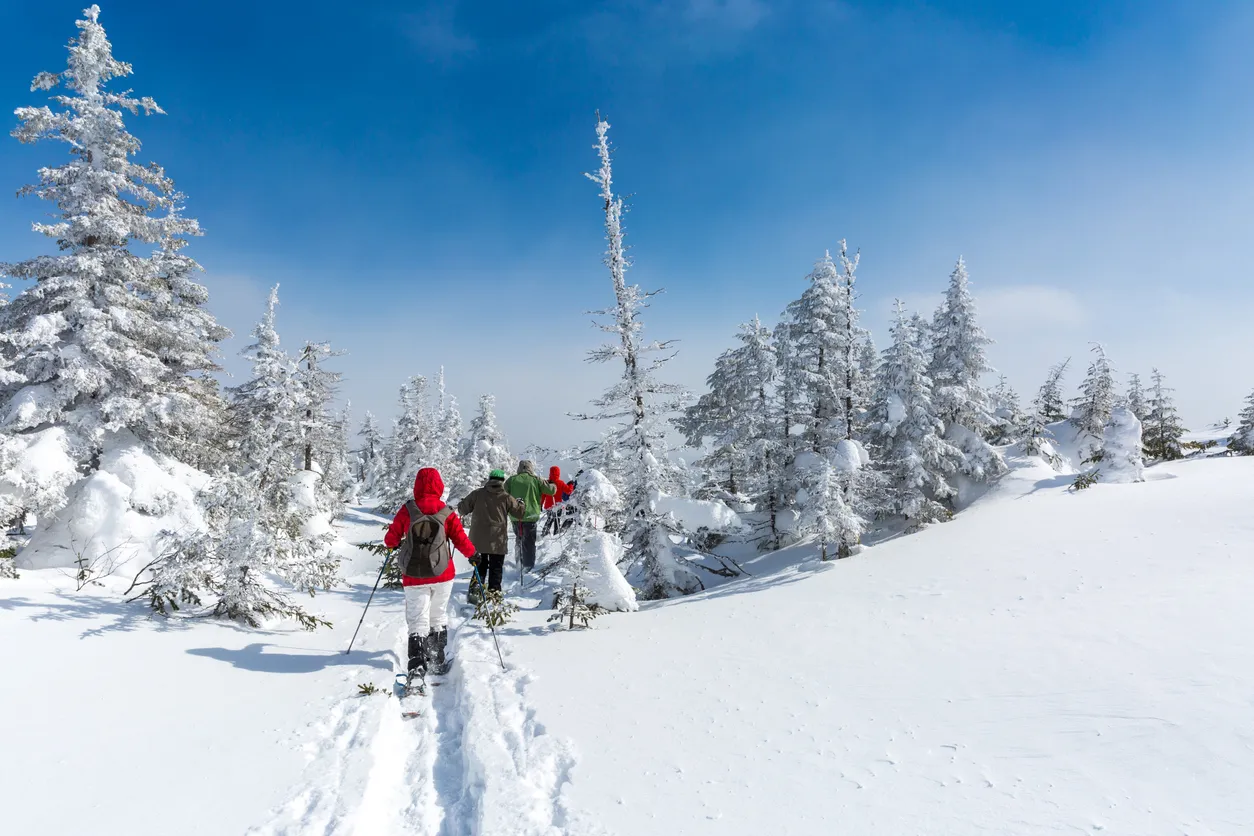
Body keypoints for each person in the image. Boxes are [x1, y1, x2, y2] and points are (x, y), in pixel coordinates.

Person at [384, 467, 476, 681]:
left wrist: (394, 544)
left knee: (417, 619)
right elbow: (460, 539)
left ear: (417, 485)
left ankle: (416, 666)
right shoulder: (446, 511)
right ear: (439, 486)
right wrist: (473, 555)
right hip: (443, 573)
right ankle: (436, 659)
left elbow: (391, 539)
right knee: (438, 615)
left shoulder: (408, 510)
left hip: (414, 575)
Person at [457, 469, 525, 602]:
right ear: (502, 481)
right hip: (497, 539)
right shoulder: (506, 497)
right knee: (496, 568)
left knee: (480, 566)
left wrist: (462, 502)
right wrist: (521, 503)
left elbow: (462, 509)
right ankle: (494, 595)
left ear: (489, 479)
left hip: (478, 539)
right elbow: (519, 514)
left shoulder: (477, 494)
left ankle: (475, 593)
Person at [504, 460, 555, 573]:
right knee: (529, 542)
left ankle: (519, 562)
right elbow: (551, 491)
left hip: (515, 516)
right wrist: (552, 483)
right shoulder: (536, 480)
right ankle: (528, 566)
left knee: (519, 538)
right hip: (530, 516)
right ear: (531, 468)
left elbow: (503, 493)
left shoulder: (511, 480)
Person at [541, 466, 575, 537]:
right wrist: (571, 484)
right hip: (557, 505)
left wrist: (540, 505)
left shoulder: (547, 483)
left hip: (548, 506)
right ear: (558, 473)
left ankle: (544, 533)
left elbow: (543, 496)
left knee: (549, 519)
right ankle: (556, 534)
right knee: (557, 520)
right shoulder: (561, 483)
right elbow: (569, 491)